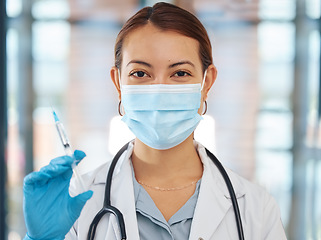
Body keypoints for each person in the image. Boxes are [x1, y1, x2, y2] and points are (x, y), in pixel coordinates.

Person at [23, 2, 287, 240]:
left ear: (206, 82)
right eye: (140, 73)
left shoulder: (255, 209)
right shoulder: (78, 203)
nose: (159, 88)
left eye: (180, 73)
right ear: (118, 82)